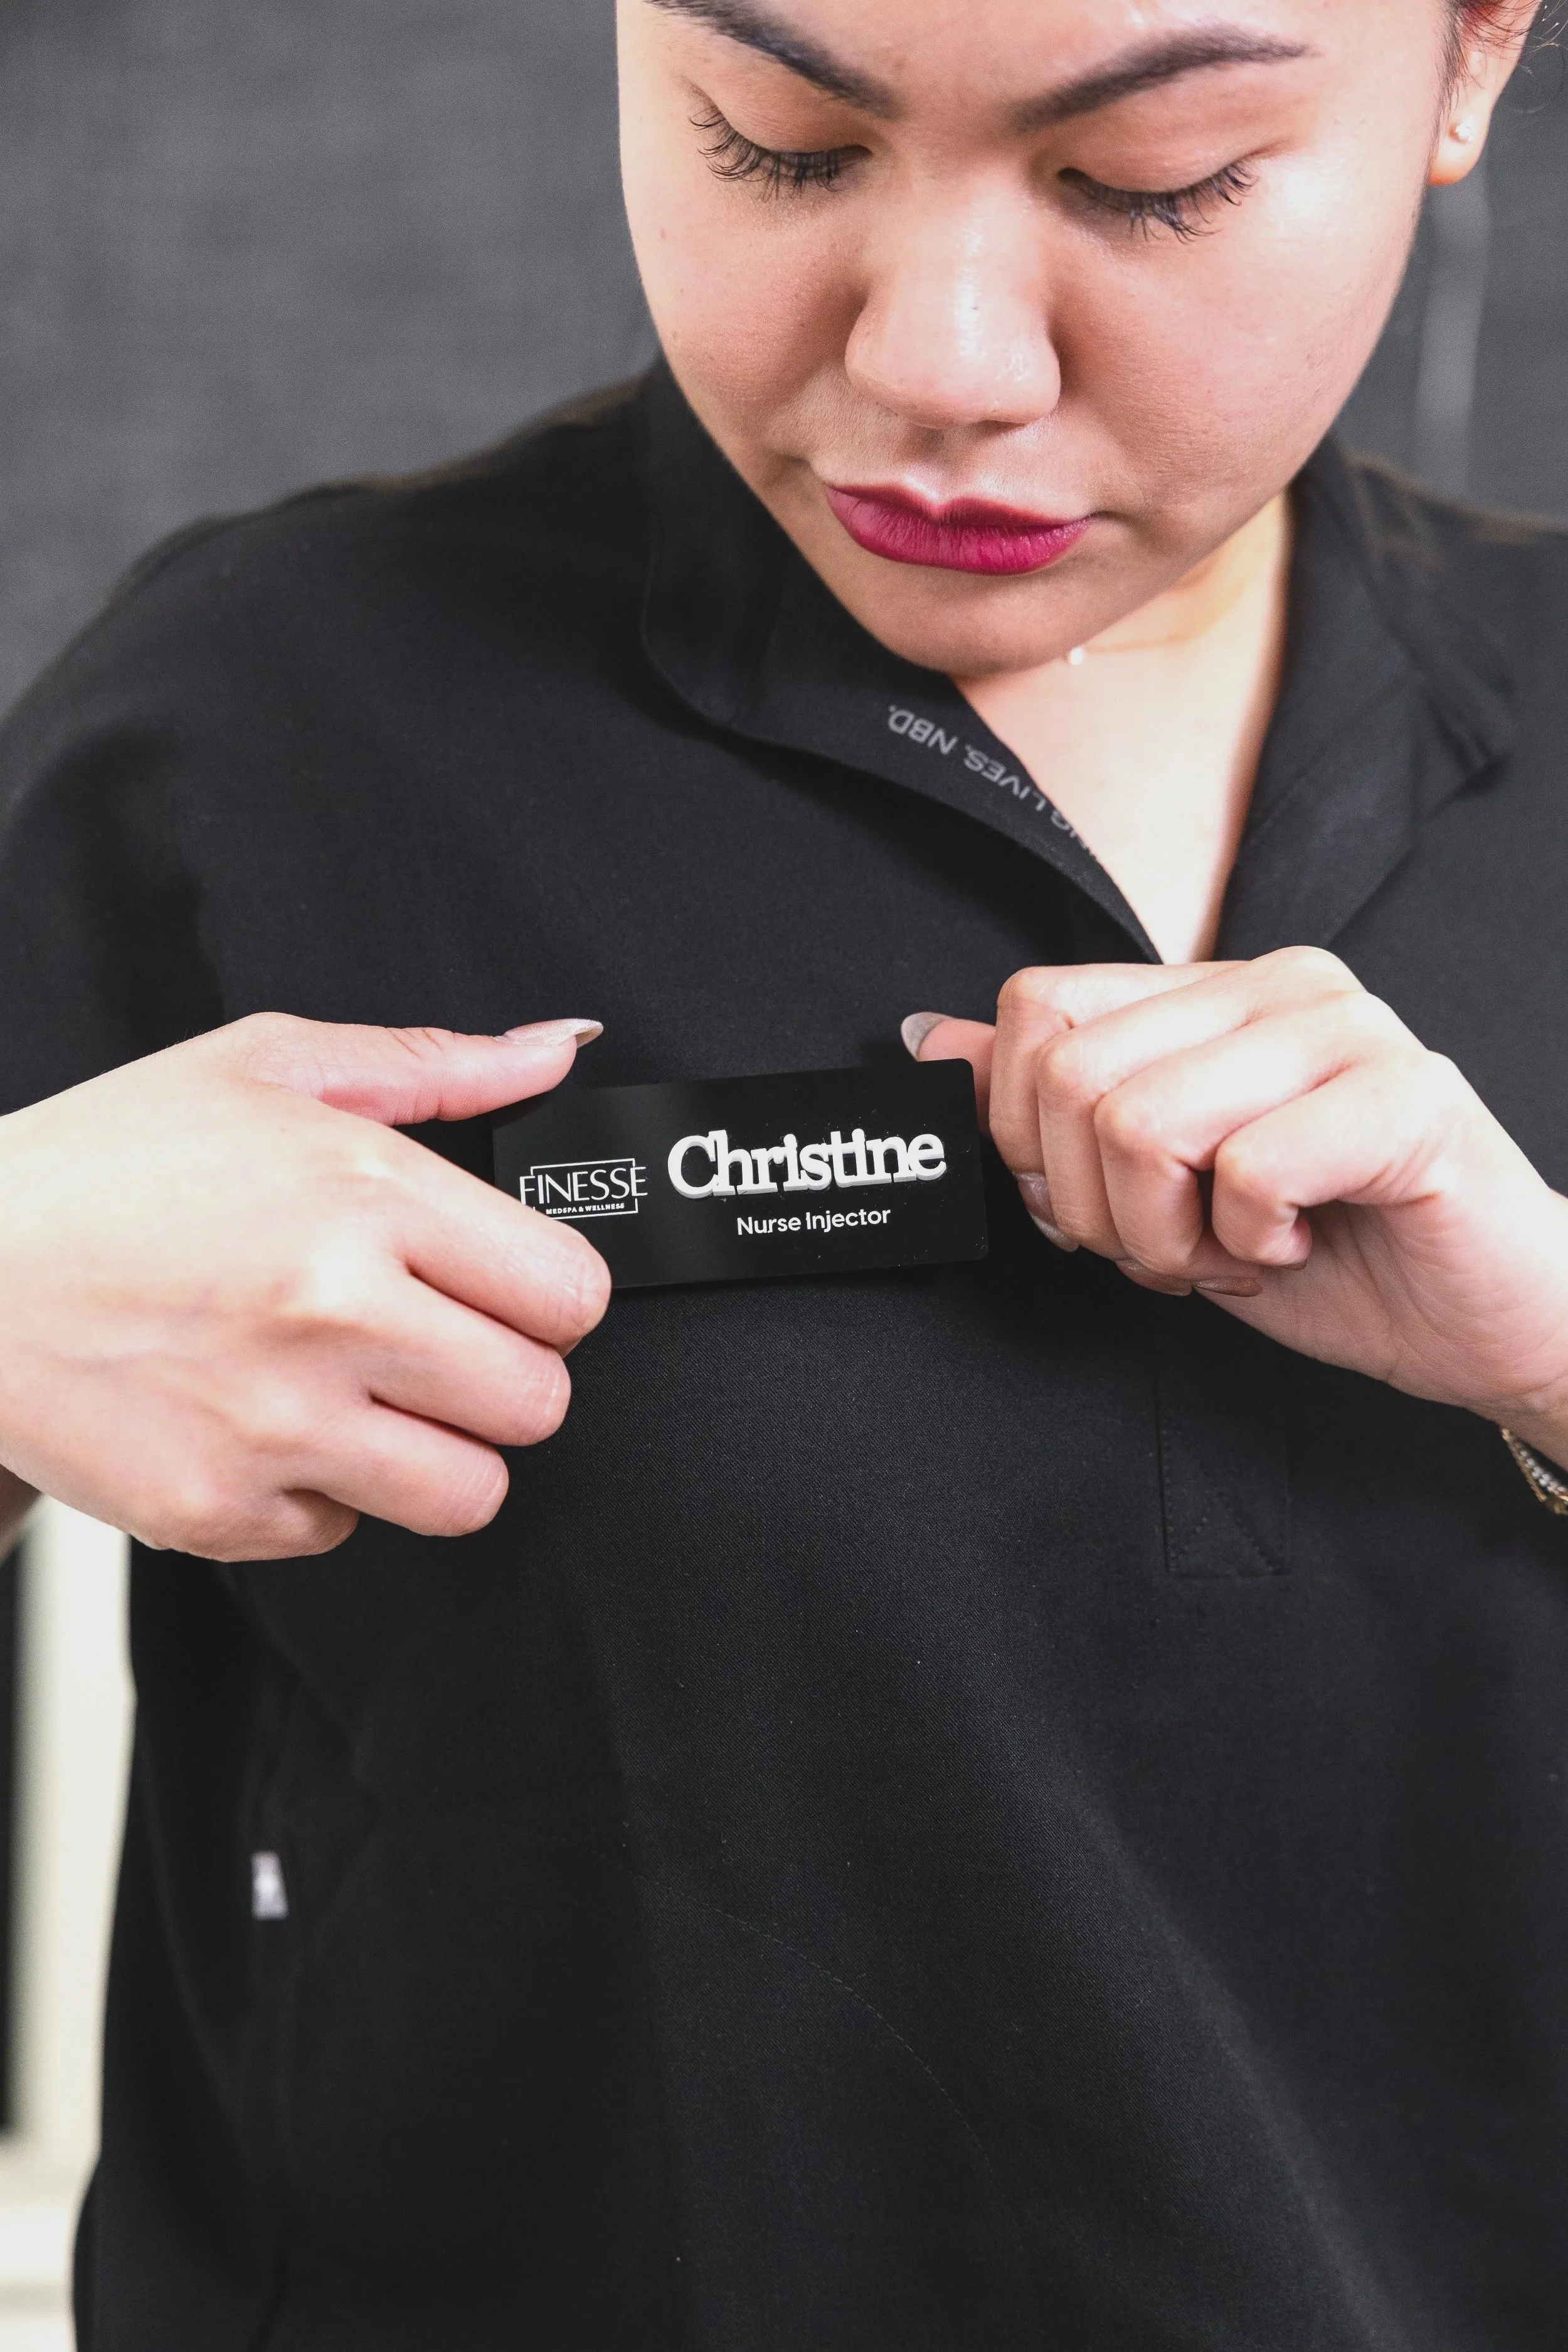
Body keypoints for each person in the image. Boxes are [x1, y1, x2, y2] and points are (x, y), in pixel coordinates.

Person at [0, 0, 1564, 2339]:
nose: (939, 361)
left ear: (1469, 61)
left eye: (1149, 184)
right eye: (778, 143)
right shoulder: (259, 714)